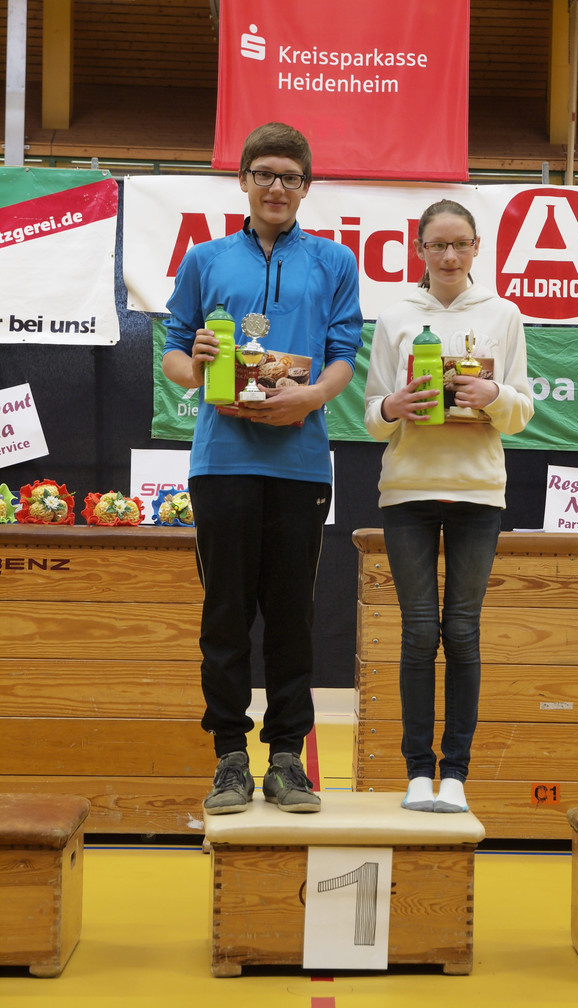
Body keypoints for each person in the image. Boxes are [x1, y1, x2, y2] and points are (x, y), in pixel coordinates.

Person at [162, 122, 363, 815]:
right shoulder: (205, 259)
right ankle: (229, 759)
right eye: (265, 174)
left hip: (301, 466)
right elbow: (173, 354)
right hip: (221, 461)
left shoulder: (335, 261)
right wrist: (200, 368)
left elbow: (343, 354)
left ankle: (285, 759)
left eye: (291, 177)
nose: (277, 187)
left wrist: (310, 398)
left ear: (307, 187)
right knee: (224, 614)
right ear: (244, 180)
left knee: (291, 616)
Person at [364, 199, 533, 814]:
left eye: (460, 243)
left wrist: (494, 394)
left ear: (477, 247)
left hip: (478, 492)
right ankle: (417, 772)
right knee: (418, 634)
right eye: (437, 244)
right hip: (407, 491)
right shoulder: (395, 316)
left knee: (461, 632)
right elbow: (372, 414)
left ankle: (455, 774)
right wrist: (393, 406)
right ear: (420, 250)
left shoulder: (503, 314)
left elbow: (521, 411)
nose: (449, 255)